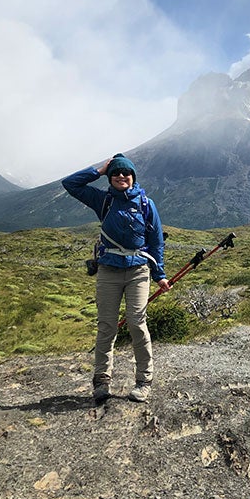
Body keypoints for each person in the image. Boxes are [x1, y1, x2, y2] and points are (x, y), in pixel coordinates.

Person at [62, 153, 170, 403]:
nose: (121, 176)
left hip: (138, 270)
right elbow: (70, 184)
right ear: (110, 178)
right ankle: (101, 381)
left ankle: (144, 381)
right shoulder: (103, 200)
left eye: (126, 173)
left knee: (136, 322)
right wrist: (98, 170)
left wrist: (159, 275)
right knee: (107, 326)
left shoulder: (145, 203)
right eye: (116, 173)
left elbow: (156, 242)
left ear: (133, 177)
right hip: (109, 270)